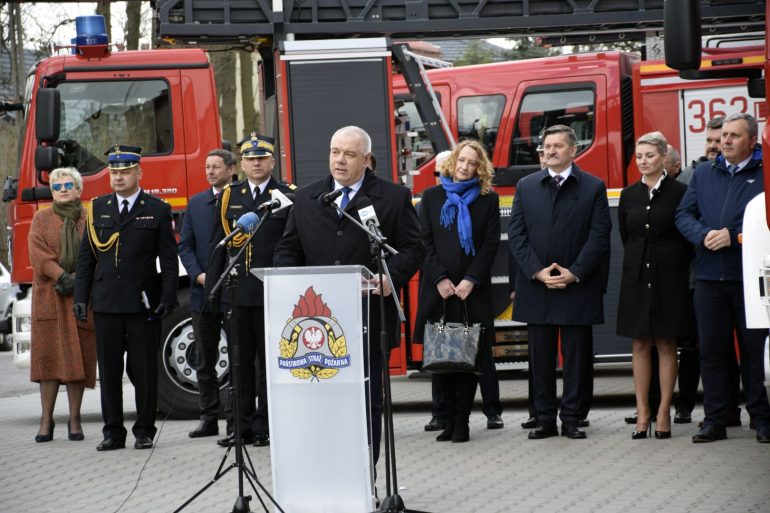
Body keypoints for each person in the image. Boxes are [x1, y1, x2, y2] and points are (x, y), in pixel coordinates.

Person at [274, 125, 423, 463]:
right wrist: (290, 282)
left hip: (370, 316)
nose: (339, 161)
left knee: (366, 398)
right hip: (317, 323)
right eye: (334, 152)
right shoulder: (307, 197)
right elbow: (287, 248)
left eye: (349, 154)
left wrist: (390, 278)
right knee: (323, 400)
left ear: (367, 160)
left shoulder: (393, 197)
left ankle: (363, 475)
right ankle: (326, 469)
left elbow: (413, 249)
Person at [509, 124, 611, 440]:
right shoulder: (525, 187)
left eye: (558, 146)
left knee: (576, 358)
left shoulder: (593, 187)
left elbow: (599, 236)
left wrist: (575, 271)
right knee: (540, 359)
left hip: (577, 286)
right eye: (547, 146)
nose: (550, 150)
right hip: (536, 286)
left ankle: (571, 419)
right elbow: (517, 235)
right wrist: (537, 272)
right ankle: (544, 420)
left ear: (573, 151)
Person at [74, 145, 178, 451]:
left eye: (125, 172)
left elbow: (168, 261)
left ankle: (144, 430)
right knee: (109, 371)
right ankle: (112, 432)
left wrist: (168, 298)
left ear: (138, 173)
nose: (118, 178)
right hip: (106, 303)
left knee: (144, 371)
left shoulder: (157, 209)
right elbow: (86, 260)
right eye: (114, 172)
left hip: (141, 302)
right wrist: (82, 297)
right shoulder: (96, 208)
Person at [676, 112, 770, 444]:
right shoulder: (703, 173)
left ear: (752, 141)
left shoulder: (765, 174)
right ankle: (715, 420)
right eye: (723, 135)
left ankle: (762, 418)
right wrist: (703, 236)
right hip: (708, 278)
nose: (725, 141)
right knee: (712, 352)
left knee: (754, 352)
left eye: (734, 136)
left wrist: (734, 235)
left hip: (750, 280)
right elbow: (683, 214)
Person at [206, 134, 295, 449]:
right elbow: (219, 245)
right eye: (250, 158)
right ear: (241, 164)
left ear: (272, 161)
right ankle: (239, 427)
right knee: (240, 363)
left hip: (274, 293)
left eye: (262, 158)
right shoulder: (230, 195)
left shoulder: (287, 195)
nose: (256, 163)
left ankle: (266, 426)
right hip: (239, 291)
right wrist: (213, 293)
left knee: (270, 365)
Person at [413, 140, 500, 443]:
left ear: (480, 167)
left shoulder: (488, 200)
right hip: (439, 290)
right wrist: (438, 278)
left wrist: (471, 279)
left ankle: (461, 420)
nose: (465, 167)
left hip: (470, 291)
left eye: (472, 163)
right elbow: (424, 242)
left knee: (468, 359)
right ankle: (447, 418)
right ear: (452, 162)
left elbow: (490, 245)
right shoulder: (432, 196)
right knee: (442, 361)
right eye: (461, 160)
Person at [617, 132, 691, 440]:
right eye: (639, 156)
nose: (643, 161)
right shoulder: (628, 194)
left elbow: (686, 237)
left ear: (663, 157)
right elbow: (626, 235)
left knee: (665, 344)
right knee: (639, 344)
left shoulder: (681, 192)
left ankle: (663, 413)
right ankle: (642, 412)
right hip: (636, 276)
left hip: (668, 276)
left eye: (649, 155)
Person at [28, 167, 96, 443]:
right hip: (51, 296)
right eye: (57, 187)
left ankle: (75, 420)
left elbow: (96, 252)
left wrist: (79, 281)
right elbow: (38, 255)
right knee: (49, 362)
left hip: (81, 297)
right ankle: (46, 421)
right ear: (52, 192)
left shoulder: (89, 218)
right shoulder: (40, 219)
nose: (63, 190)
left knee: (79, 360)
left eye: (68, 185)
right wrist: (63, 276)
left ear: (79, 189)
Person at [179, 149, 236, 438]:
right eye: (207, 167)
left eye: (216, 166)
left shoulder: (239, 199)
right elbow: (185, 245)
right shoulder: (197, 202)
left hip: (233, 292)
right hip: (203, 293)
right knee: (204, 357)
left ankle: (235, 419)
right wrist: (198, 274)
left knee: (238, 358)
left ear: (231, 169)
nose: (211, 171)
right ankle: (208, 417)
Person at [680, 116, 723, 183]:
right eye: (709, 140)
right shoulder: (688, 173)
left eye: (718, 141)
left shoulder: (735, 173)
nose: (712, 146)